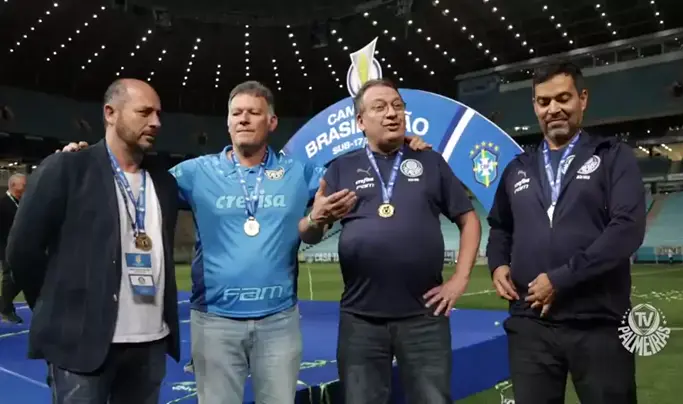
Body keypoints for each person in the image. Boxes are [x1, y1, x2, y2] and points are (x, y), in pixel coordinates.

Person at [61, 79, 430, 403]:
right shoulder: (195, 172)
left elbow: (363, 175)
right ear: (227, 122)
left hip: (279, 321)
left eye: (253, 113)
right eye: (236, 113)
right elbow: (130, 177)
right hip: (214, 322)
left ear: (271, 122)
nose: (243, 119)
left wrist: (401, 146)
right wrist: (88, 158)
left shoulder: (299, 172)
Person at [302, 78, 481, 404]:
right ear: (361, 121)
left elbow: (469, 220)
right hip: (360, 320)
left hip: (424, 316)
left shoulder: (430, 161)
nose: (392, 113)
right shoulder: (341, 168)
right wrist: (316, 218)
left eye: (398, 106)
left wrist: (460, 279)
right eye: (380, 107)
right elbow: (310, 235)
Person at [6, 78, 181, 404]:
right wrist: (56, 308)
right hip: (80, 345)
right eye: (144, 112)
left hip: (150, 345)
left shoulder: (164, 182)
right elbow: (22, 251)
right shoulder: (69, 168)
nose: (156, 122)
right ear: (110, 113)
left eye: (158, 113)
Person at [486, 61, 645, 404]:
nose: (553, 109)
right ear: (535, 106)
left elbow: (627, 229)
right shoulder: (518, 168)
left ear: (582, 99)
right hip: (530, 323)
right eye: (544, 102)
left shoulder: (612, 157)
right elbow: (500, 227)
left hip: (599, 321)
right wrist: (497, 264)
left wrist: (560, 279)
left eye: (563, 98)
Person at [0, 173, 26, 324]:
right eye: (24, 185)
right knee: (9, 278)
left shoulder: (21, 203)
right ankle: (6, 309)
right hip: (6, 248)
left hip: (19, 248)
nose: (26, 188)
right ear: (13, 185)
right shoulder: (3, 205)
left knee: (22, 277)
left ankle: (4, 303)